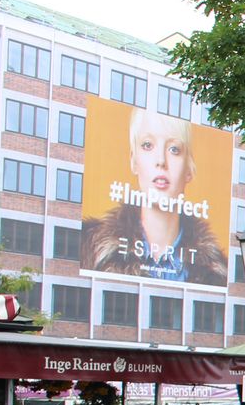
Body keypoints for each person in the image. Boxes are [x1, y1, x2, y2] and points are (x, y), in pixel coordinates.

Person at [82, 107, 225, 285]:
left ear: (189, 169)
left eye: (174, 149)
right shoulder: (88, 249)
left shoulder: (216, 273)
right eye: (148, 145)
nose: (161, 161)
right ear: (134, 161)